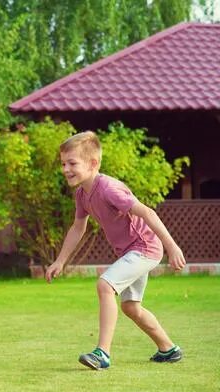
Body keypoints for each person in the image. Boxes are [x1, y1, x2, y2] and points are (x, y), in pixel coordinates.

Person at [46, 131, 186, 370]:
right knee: (131, 307)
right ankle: (169, 349)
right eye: (63, 163)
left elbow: (148, 213)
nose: (66, 169)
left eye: (72, 163)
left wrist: (172, 247)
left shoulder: (109, 189)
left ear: (93, 163)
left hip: (145, 247)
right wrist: (60, 261)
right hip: (131, 252)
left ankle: (103, 353)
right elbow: (78, 227)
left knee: (105, 285)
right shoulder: (82, 194)